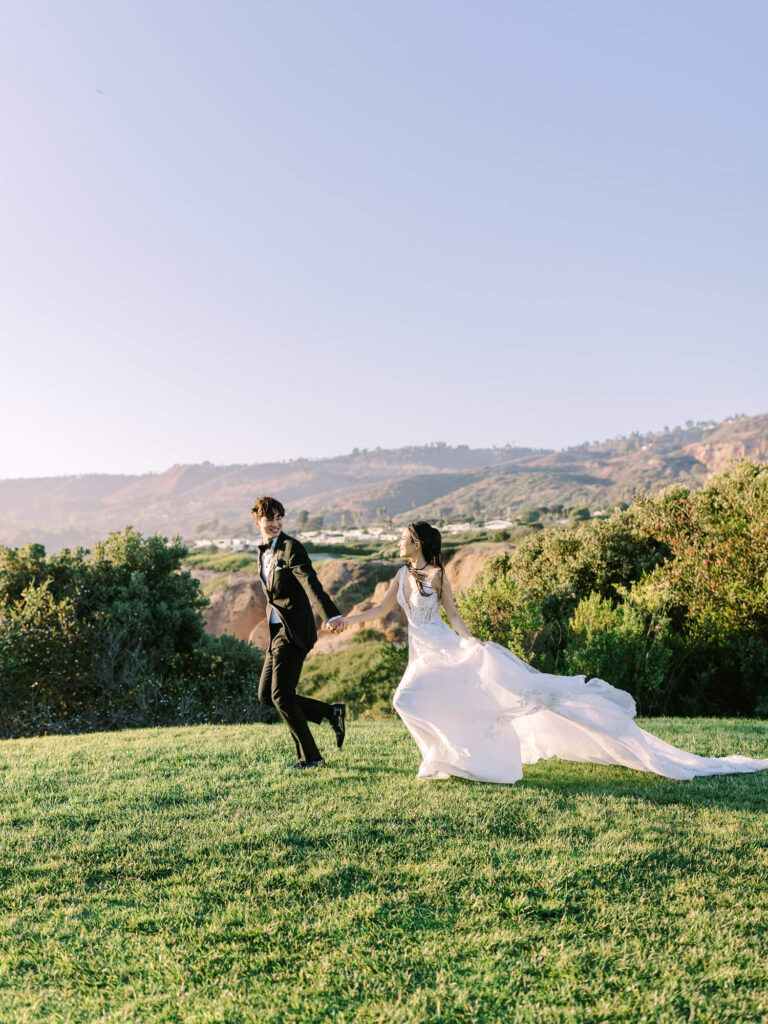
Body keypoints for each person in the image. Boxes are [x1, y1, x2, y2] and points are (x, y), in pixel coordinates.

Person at [334, 521, 768, 784]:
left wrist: (473, 642)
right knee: (412, 702)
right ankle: (444, 757)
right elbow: (381, 609)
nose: (399, 543)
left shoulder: (440, 575)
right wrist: (344, 621)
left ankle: (459, 758)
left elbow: (454, 616)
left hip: (445, 649)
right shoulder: (399, 573)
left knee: (406, 699)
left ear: (420, 543)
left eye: (405, 538)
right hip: (421, 653)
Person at [252, 495, 346, 770]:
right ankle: (330, 712)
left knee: (281, 695)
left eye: (280, 517)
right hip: (276, 629)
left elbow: (310, 584)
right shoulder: (265, 551)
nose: (276, 523)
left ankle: (311, 758)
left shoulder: (292, 548)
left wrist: (331, 615)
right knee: (266, 695)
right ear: (258, 521)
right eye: (270, 518)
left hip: (294, 631)